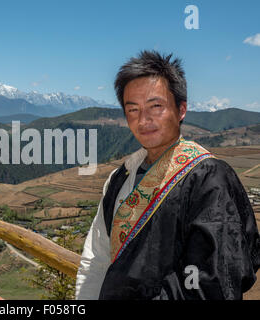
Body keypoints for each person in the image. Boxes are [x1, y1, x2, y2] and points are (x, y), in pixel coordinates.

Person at [75, 50, 260, 300]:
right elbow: (95, 261)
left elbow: (213, 284)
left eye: (156, 106)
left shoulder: (209, 180)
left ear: (181, 109)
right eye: (133, 110)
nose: (144, 120)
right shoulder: (120, 180)